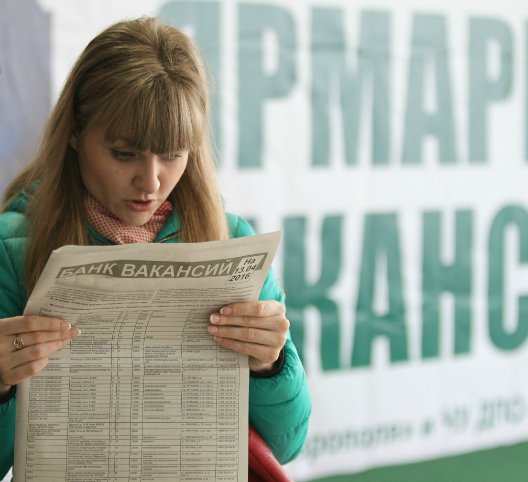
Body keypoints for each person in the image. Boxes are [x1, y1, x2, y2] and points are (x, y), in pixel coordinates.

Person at [0, 16, 311, 478]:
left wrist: (270, 364)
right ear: (75, 132)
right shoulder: (11, 248)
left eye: (172, 153)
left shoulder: (232, 242)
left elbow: (285, 445)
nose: (150, 182)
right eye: (124, 154)